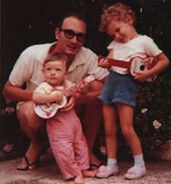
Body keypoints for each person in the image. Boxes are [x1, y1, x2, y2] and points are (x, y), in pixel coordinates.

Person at [3, 12, 109, 171]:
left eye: (80, 36)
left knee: (98, 96)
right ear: (57, 33)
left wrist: (78, 97)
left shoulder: (88, 57)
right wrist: (44, 98)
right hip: (38, 110)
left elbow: (108, 86)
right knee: (27, 111)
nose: (74, 41)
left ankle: (85, 150)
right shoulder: (32, 54)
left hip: (69, 112)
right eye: (69, 33)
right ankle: (38, 144)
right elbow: (8, 90)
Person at [96, 3, 169, 180]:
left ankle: (139, 165)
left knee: (127, 128)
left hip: (125, 86)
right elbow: (112, 62)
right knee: (109, 129)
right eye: (113, 33)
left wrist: (147, 74)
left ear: (128, 19)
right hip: (111, 83)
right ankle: (112, 164)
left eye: (118, 30)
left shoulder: (144, 41)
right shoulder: (115, 43)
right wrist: (106, 63)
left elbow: (164, 61)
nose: (116, 35)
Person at [33, 53, 97, 183]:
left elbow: (79, 92)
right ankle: (73, 173)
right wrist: (53, 97)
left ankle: (83, 168)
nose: (52, 73)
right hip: (57, 124)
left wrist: (83, 89)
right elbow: (36, 97)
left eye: (57, 70)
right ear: (43, 72)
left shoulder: (68, 84)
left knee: (80, 144)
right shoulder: (45, 87)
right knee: (63, 149)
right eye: (49, 69)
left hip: (73, 121)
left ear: (66, 73)